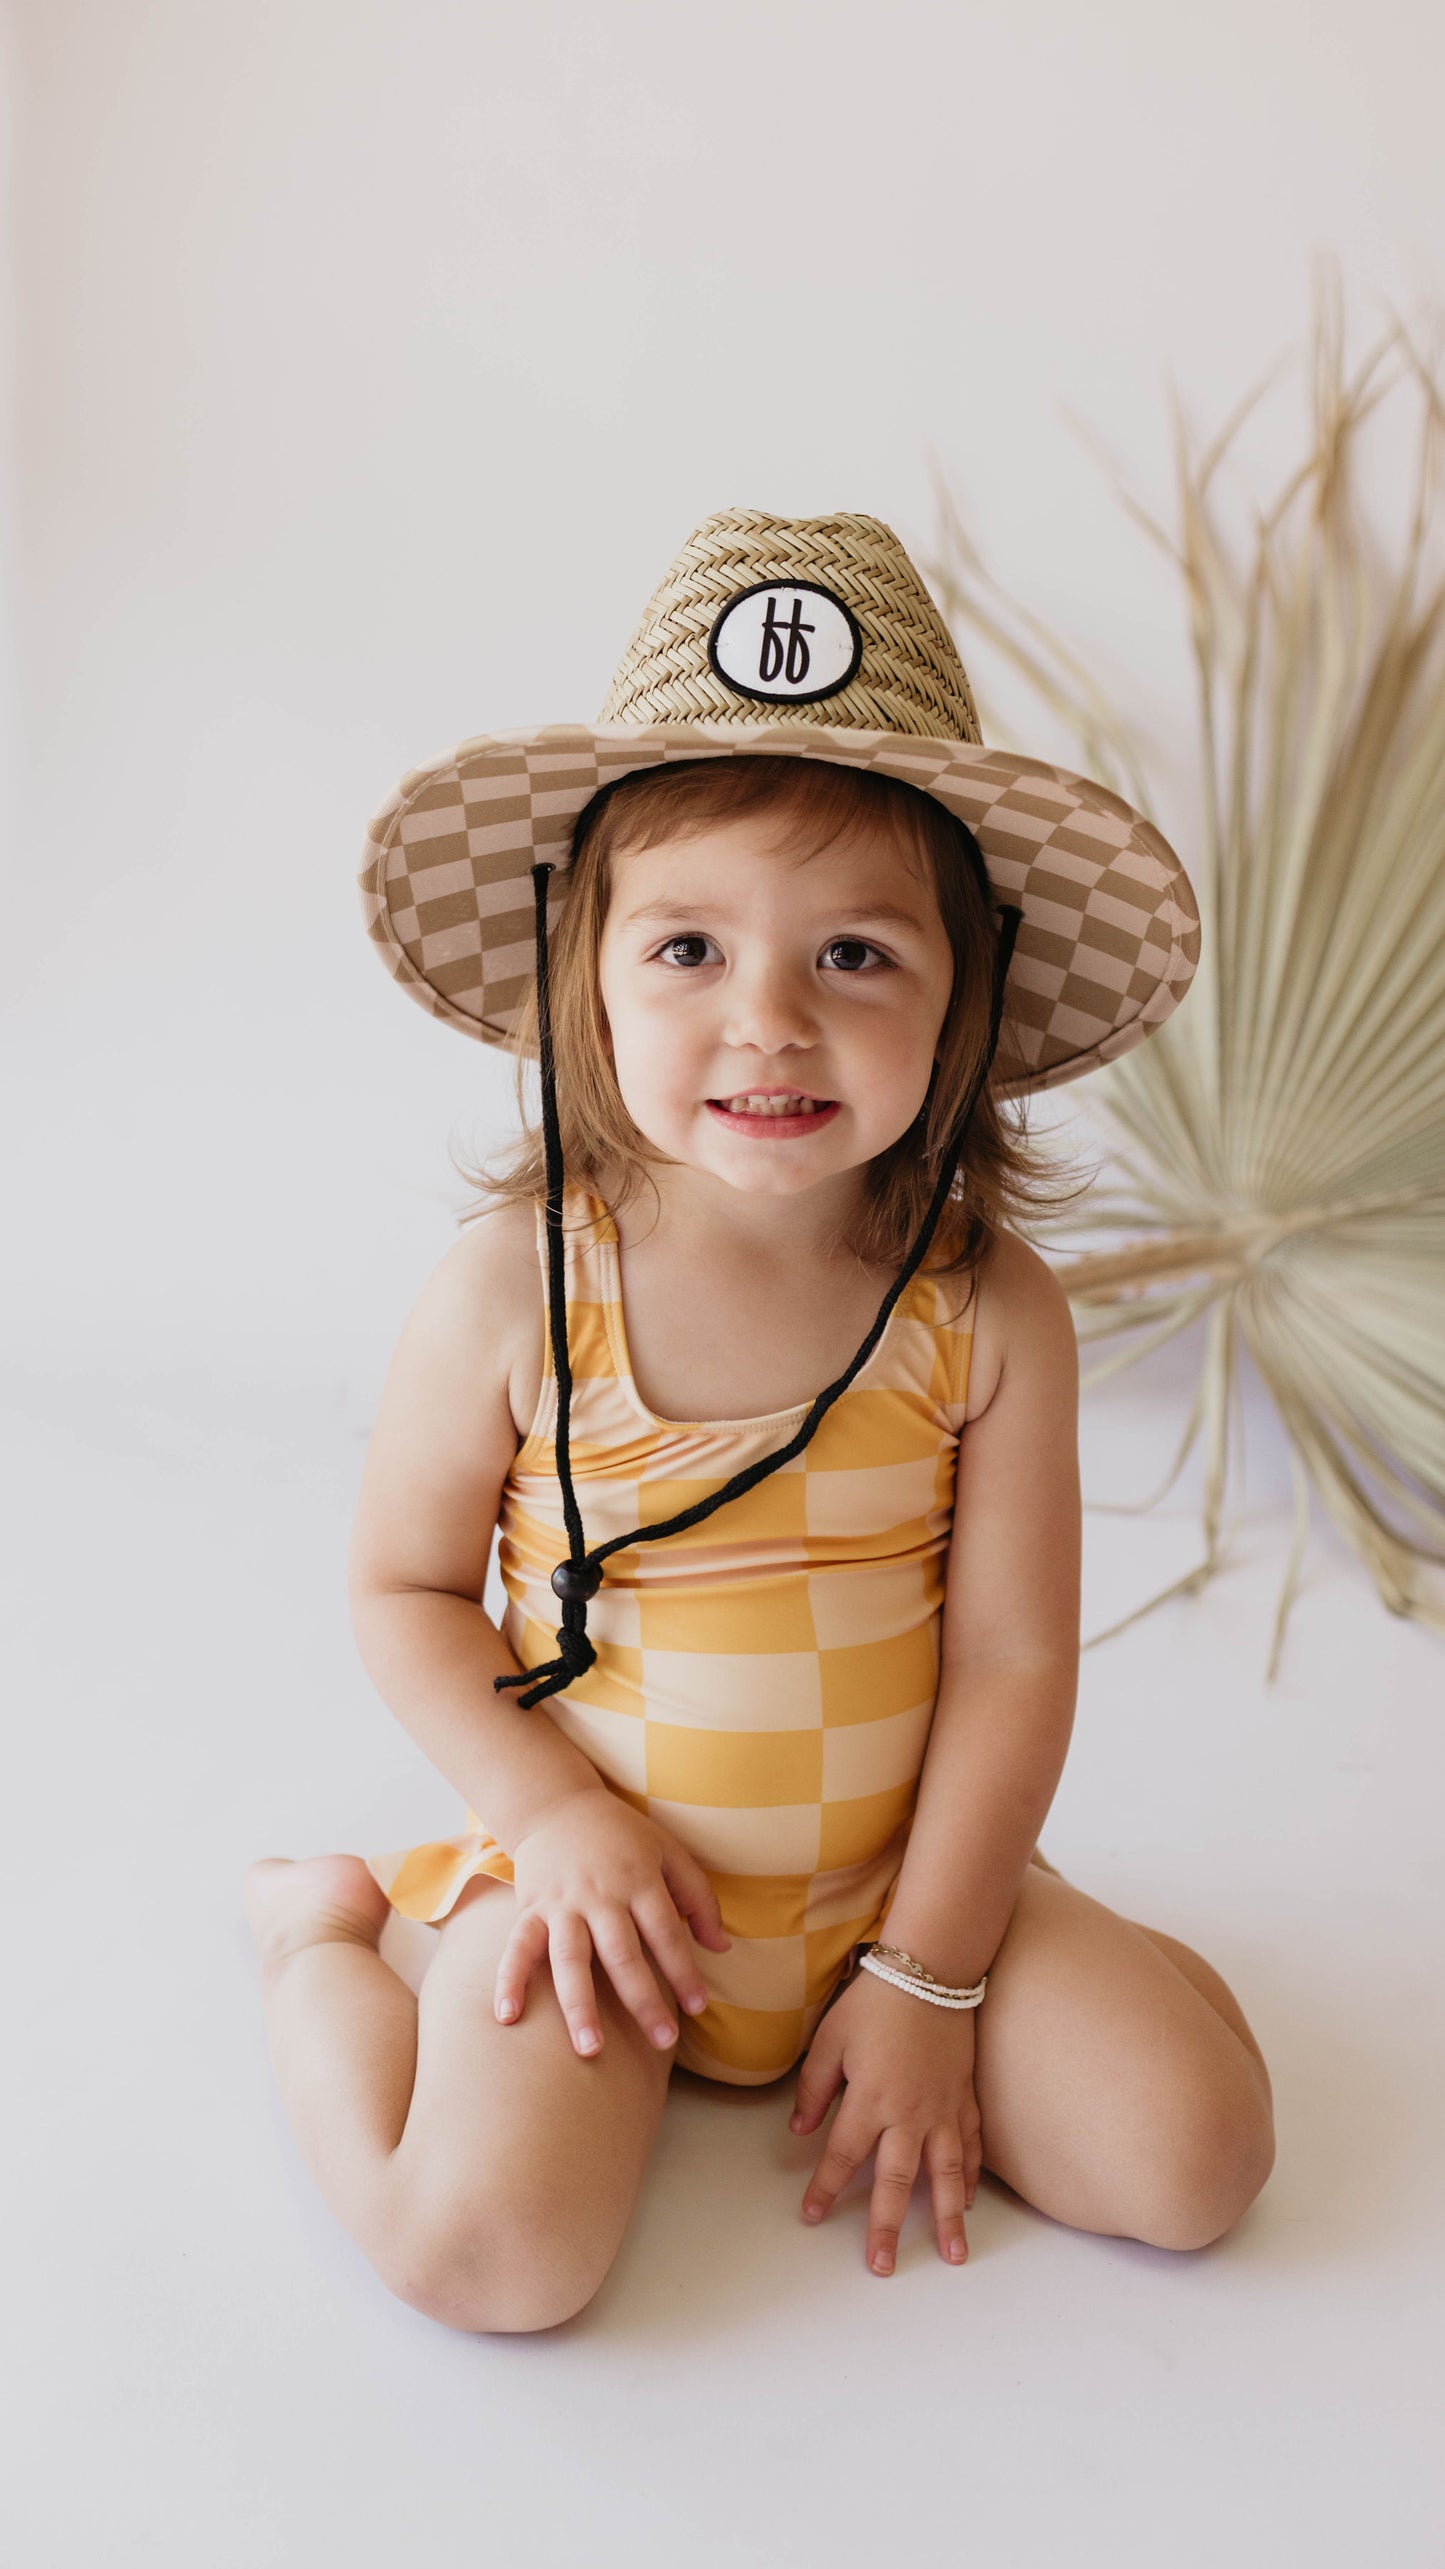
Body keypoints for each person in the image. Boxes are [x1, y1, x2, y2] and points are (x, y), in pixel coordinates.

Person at [243, 510, 1275, 2333]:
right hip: (610, 1889)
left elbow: (1017, 1659)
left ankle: (1030, 1953)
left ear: (964, 1002)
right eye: (692, 948)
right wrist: (547, 1816)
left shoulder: (982, 1309)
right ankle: (323, 1949)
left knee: (1200, 2160)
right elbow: (404, 1592)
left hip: (896, 1882)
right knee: (488, 2258)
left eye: (857, 955)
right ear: (587, 977)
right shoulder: (513, 1291)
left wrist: (933, 1972)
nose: (770, 1022)